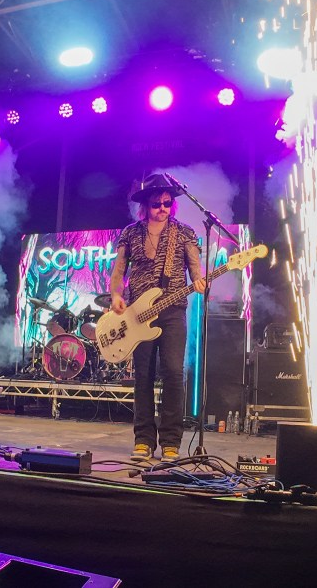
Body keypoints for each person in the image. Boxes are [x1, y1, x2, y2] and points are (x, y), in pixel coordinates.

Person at [109, 174, 206, 462]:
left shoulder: (184, 232)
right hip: (139, 314)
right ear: (145, 206)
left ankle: (171, 442)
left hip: (173, 311)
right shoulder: (131, 233)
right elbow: (119, 270)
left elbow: (195, 267)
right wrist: (116, 295)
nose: (162, 208)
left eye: (167, 203)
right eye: (156, 204)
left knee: (174, 373)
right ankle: (143, 440)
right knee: (144, 376)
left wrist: (199, 280)